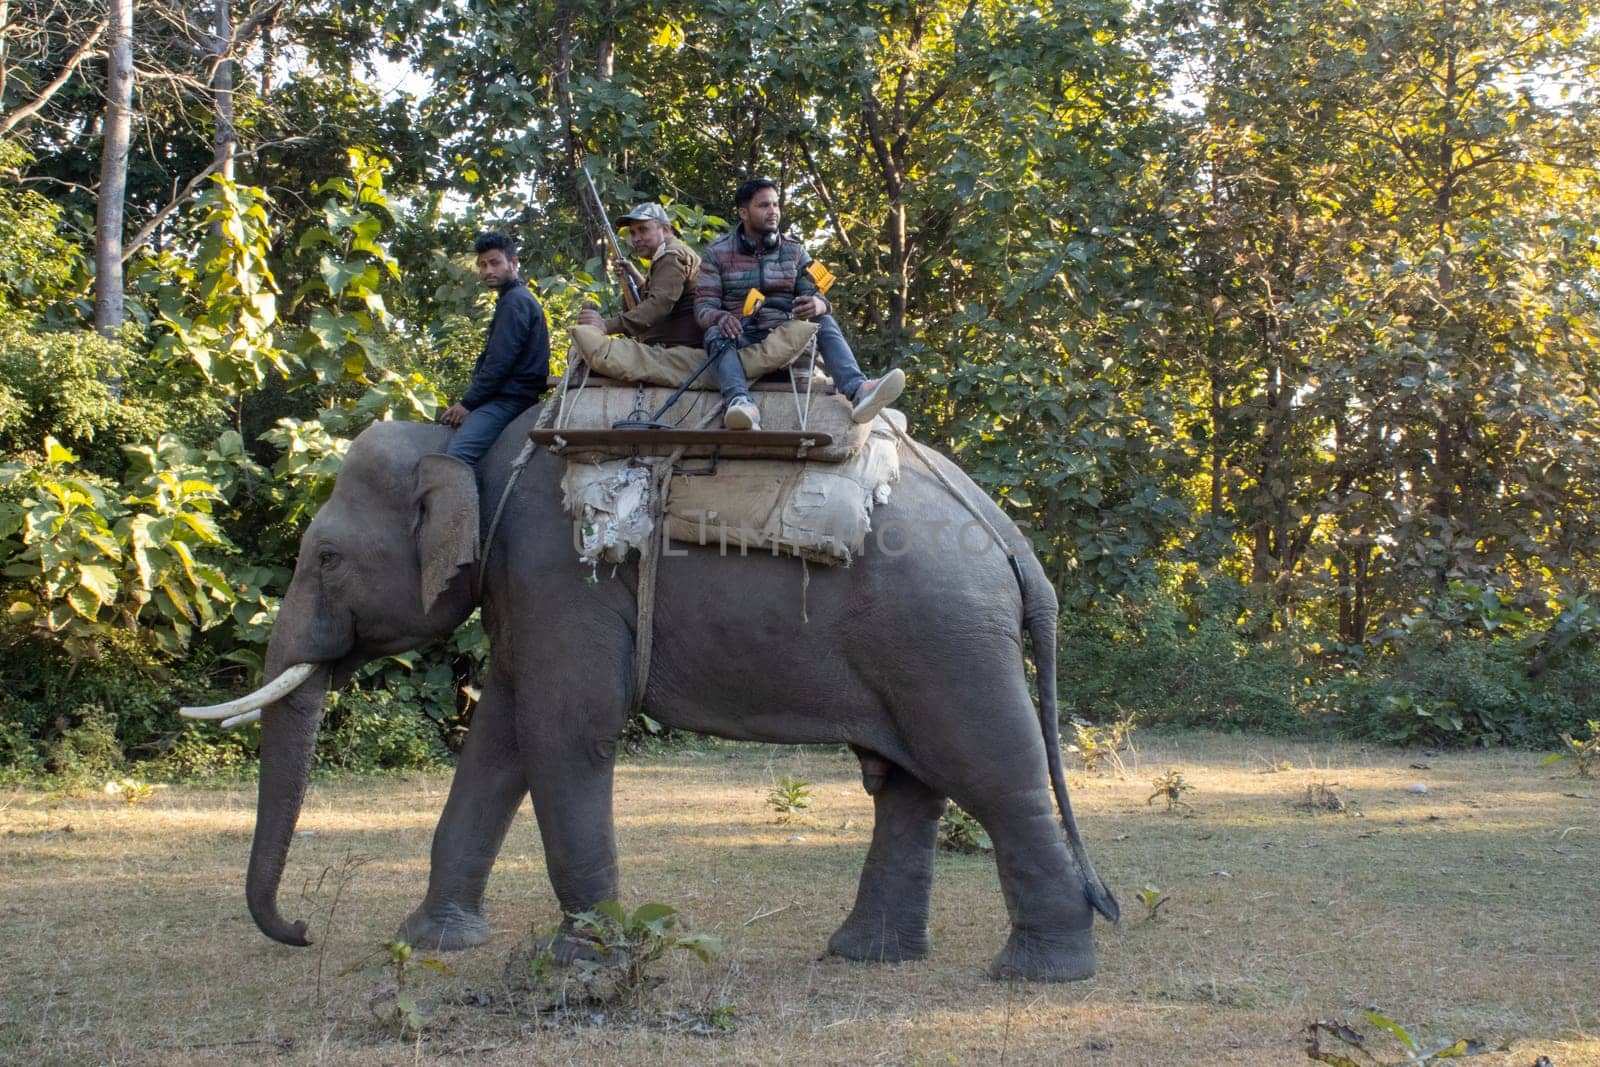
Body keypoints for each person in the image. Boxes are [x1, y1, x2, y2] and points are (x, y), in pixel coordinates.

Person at [694, 178, 905, 431]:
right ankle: (740, 403)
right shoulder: (717, 253)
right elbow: (703, 308)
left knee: (823, 320)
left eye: (775, 205)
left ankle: (858, 390)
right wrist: (719, 318)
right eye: (763, 206)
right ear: (743, 213)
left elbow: (820, 297)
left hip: (784, 334)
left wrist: (817, 304)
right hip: (741, 334)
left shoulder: (794, 251)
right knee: (714, 333)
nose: (773, 212)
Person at [441, 233, 550, 465]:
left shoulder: (515, 302)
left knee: (457, 457)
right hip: (507, 396)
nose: (488, 270)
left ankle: (466, 503)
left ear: (514, 263)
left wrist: (468, 403)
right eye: (482, 265)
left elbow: (499, 363)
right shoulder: (513, 299)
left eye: (495, 262)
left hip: (510, 399)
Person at [577, 202, 703, 347]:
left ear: (666, 229)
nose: (636, 238)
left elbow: (657, 305)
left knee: (595, 354)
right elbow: (659, 293)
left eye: (643, 230)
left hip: (676, 349)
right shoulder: (666, 254)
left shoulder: (672, 256)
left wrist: (606, 325)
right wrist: (634, 276)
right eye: (633, 233)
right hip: (665, 345)